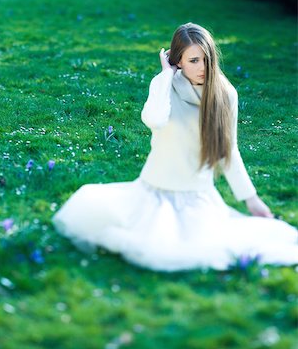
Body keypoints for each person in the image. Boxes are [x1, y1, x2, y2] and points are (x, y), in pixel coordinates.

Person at [52, 22, 298, 271]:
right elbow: (154, 120)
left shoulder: (226, 94)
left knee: (207, 249)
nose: (202, 67)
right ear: (177, 61)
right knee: (148, 244)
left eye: (206, 59)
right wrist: (165, 76)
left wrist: (251, 199)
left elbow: (228, 150)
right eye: (193, 60)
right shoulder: (163, 85)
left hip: (197, 197)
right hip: (154, 191)